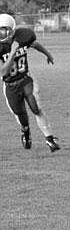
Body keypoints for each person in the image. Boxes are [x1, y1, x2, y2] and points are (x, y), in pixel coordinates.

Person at [0, 13, 60, 152]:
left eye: (4, 30)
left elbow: (34, 44)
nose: (1, 33)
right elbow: (3, 72)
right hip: (10, 85)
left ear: (11, 30)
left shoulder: (21, 37)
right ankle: (25, 132)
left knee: (35, 108)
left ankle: (50, 139)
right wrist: (13, 51)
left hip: (26, 79)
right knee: (21, 116)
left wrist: (48, 54)